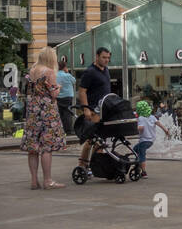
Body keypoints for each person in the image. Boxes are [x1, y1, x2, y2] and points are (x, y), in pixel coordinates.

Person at [21, 47, 67, 189]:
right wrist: (58, 87)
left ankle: (34, 181)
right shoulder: (49, 72)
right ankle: (48, 181)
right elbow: (53, 94)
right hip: (47, 111)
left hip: (33, 111)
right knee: (47, 146)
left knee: (33, 147)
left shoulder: (32, 71)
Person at [75, 47, 114, 176]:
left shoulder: (106, 70)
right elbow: (82, 91)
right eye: (104, 57)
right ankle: (82, 165)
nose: (106, 60)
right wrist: (86, 108)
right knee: (91, 140)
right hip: (93, 110)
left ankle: (96, 165)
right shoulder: (90, 72)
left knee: (101, 140)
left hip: (104, 110)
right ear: (97, 57)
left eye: (108, 58)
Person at [133, 100, 170, 177]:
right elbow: (160, 125)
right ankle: (138, 164)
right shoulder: (152, 117)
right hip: (151, 141)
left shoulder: (141, 118)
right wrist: (166, 131)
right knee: (135, 149)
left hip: (144, 141)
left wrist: (135, 129)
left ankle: (143, 172)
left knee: (142, 155)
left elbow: (141, 128)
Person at [55, 56, 76, 134]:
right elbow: (74, 81)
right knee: (67, 113)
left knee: (59, 113)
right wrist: (67, 72)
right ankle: (69, 130)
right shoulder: (67, 75)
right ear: (64, 67)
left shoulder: (55, 75)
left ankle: (61, 129)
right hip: (67, 96)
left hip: (58, 97)